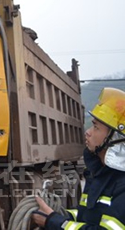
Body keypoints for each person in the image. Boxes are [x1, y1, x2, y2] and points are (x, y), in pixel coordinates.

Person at [32, 87, 125, 229]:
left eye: (96, 127)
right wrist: (59, 215)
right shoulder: (99, 173)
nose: (88, 132)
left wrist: (54, 221)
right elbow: (87, 214)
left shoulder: (122, 184)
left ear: (115, 138)